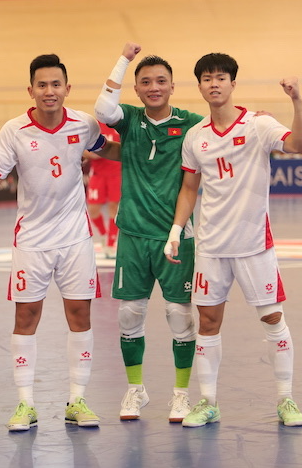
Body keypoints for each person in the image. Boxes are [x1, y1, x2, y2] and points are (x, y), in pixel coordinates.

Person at [164, 52, 302, 428]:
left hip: (253, 245)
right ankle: (208, 402)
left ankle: (286, 400)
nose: (214, 83)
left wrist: (296, 100)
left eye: (221, 77)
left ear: (232, 83)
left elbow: (299, 146)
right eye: (207, 78)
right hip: (211, 246)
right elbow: (189, 188)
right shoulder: (195, 137)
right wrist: (177, 231)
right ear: (199, 86)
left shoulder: (259, 124)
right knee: (208, 323)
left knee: (273, 318)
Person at [0, 54, 119, 431]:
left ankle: (78, 400)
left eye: (56, 84)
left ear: (67, 88)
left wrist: (154, 149)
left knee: (80, 316)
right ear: (31, 90)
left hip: (75, 238)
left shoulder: (84, 124)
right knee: (26, 317)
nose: (49, 91)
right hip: (32, 240)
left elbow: (113, 151)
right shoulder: (13, 130)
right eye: (42, 85)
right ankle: (25, 404)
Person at [93, 42, 202, 423]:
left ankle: (181, 395)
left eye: (161, 81)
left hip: (176, 238)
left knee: (180, 316)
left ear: (172, 86)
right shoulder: (129, 118)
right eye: (146, 82)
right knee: (129, 315)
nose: (153, 87)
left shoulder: (191, 123)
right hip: (134, 236)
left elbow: (225, 128)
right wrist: (123, 60)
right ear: (137, 89)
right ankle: (135, 391)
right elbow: (102, 109)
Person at [83, 121, 121, 258]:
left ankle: (111, 243)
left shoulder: (120, 126)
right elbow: (84, 150)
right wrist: (98, 153)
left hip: (116, 174)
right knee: (92, 209)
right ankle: (104, 235)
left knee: (114, 208)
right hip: (98, 175)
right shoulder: (94, 126)